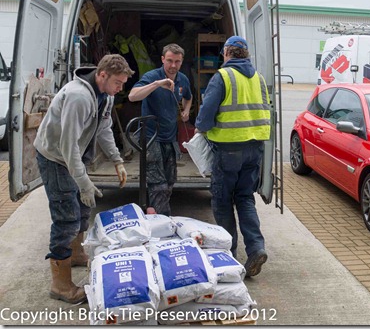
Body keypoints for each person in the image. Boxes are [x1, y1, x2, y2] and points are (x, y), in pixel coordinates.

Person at [34, 54, 134, 303]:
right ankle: (60, 285)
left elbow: (103, 127)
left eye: (122, 84)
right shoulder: (79, 97)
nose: (120, 89)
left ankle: (77, 253)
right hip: (55, 158)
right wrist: (85, 183)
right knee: (66, 218)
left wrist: (117, 159)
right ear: (102, 75)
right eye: (118, 83)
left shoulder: (106, 95)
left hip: (74, 154)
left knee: (81, 209)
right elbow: (68, 149)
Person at [194, 36, 271, 277]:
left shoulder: (223, 76)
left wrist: (200, 128)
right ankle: (256, 248)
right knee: (245, 198)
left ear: (227, 53)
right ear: (246, 54)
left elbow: (206, 114)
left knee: (222, 200)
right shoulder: (259, 78)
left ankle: (228, 254)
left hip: (228, 149)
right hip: (255, 147)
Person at [128, 43, 192, 216]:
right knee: (158, 185)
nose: (173, 65)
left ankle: (153, 212)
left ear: (181, 61)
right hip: (151, 137)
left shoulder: (183, 79)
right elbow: (132, 96)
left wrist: (186, 110)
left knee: (170, 182)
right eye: (169, 61)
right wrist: (156, 84)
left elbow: (188, 97)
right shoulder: (152, 76)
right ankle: (165, 222)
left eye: (177, 61)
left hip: (170, 138)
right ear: (162, 59)